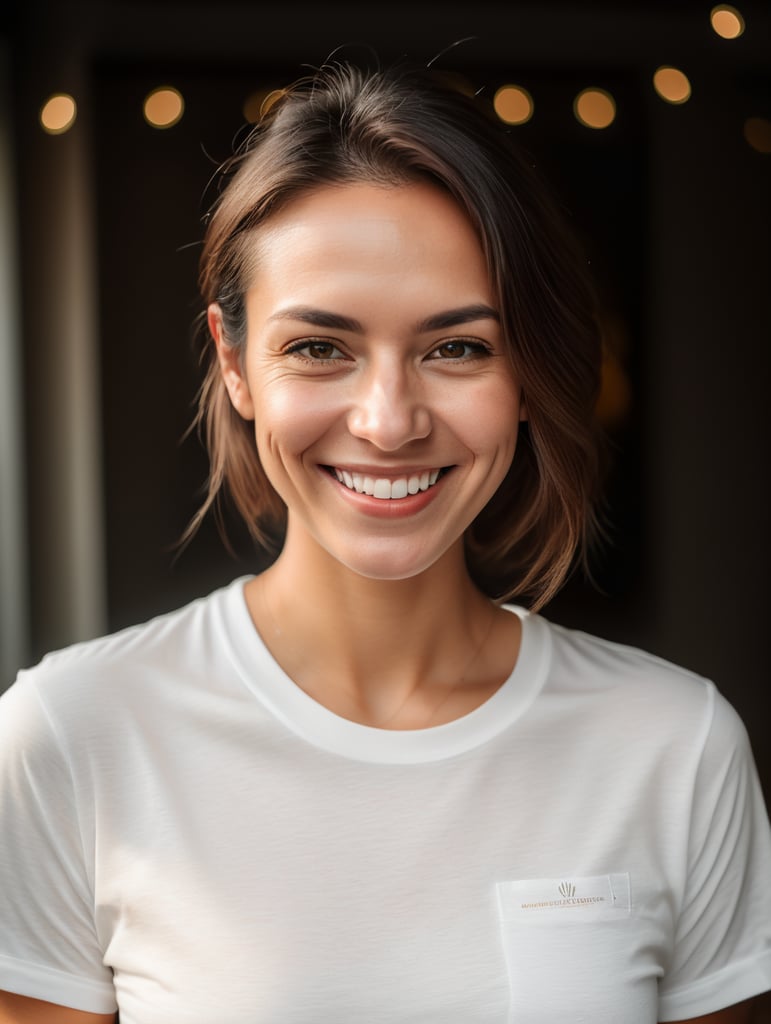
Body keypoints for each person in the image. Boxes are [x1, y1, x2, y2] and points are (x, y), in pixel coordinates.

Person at [1, 59, 769, 1024]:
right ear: (236, 363)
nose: (388, 420)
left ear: (526, 371)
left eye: (457, 348)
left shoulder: (672, 746)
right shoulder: (73, 736)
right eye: (319, 347)